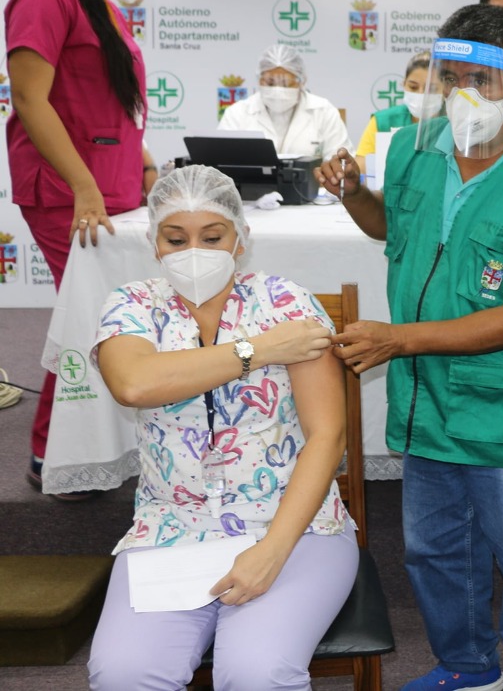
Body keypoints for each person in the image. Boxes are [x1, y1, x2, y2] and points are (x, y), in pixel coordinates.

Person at [314, 3, 503, 691]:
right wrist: (354, 195)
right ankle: (468, 669)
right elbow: (396, 228)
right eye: (451, 78)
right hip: (429, 399)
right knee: (436, 551)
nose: (462, 95)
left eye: (482, 80)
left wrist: (396, 339)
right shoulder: (416, 149)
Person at [86, 165, 357, 690]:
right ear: (153, 241)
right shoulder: (133, 305)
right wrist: (263, 349)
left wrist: (272, 550)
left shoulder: (284, 302)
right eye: (175, 238)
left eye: (212, 237)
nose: (194, 252)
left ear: (240, 238)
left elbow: (328, 436)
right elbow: (134, 384)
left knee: (258, 671)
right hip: (171, 527)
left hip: (294, 524)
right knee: (122, 673)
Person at [5, 0, 154, 495]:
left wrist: (144, 159)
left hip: (112, 185)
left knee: (105, 314)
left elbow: (112, 99)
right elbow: (29, 98)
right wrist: (83, 185)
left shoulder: (104, 7)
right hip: (67, 190)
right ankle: (52, 452)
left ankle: (93, 445)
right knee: (91, 317)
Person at [217, 43, 353, 159]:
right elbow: (220, 162)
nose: (278, 89)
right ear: (259, 79)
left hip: (310, 183)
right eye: (270, 82)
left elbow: (341, 164)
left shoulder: (323, 111)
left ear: (301, 81)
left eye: (286, 83)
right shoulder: (237, 114)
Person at [353, 50, 435, 174]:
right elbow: (361, 170)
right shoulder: (382, 121)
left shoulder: (452, 124)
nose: (421, 94)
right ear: (404, 84)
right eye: (413, 87)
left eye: (431, 88)